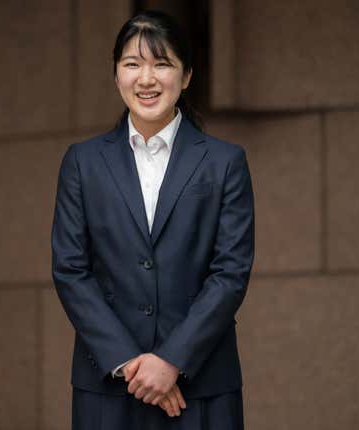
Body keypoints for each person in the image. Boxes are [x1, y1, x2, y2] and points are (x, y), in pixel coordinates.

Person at [51, 9, 254, 430]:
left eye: (162, 64)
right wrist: (130, 364)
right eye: (132, 64)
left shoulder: (224, 162)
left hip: (201, 386)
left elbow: (229, 273)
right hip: (107, 385)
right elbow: (70, 270)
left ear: (187, 76)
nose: (146, 79)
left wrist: (172, 360)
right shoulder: (82, 163)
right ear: (116, 75)